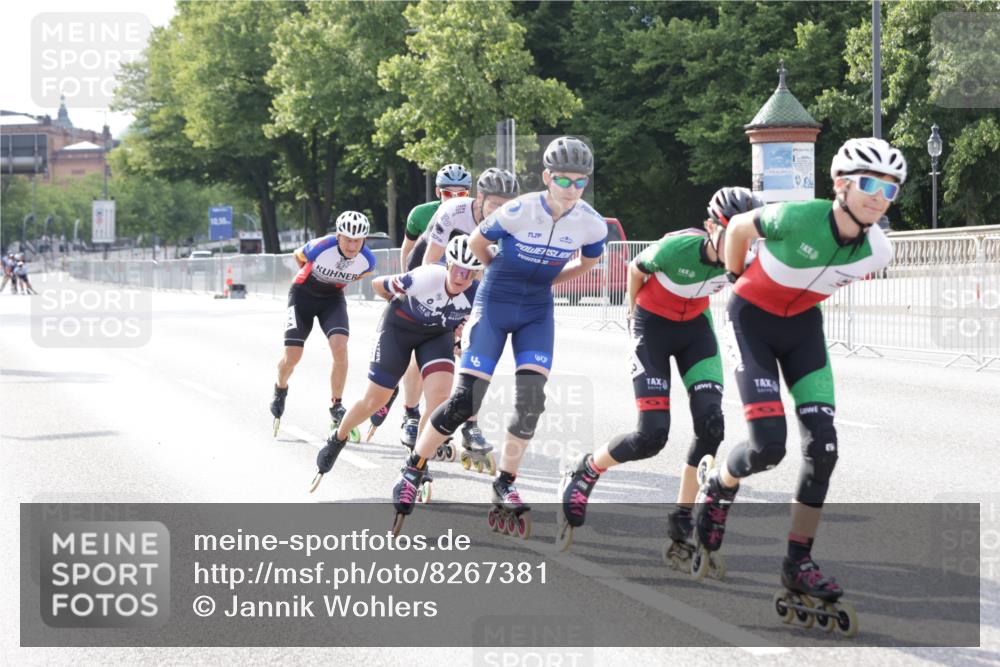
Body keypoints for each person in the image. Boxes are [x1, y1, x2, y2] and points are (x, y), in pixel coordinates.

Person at [695, 138, 903, 618]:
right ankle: (720, 484)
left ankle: (798, 562)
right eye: (869, 184)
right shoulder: (796, 216)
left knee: (823, 447)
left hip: (803, 329)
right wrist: (735, 278)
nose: (879, 197)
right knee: (769, 446)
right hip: (752, 321)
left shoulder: (878, 250)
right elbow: (740, 227)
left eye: (890, 189)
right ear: (841, 184)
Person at [390, 137, 607, 537]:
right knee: (464, 401)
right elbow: (476, 242)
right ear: (547, 177)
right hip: (494, 303)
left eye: (580, 181)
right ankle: (413, 468)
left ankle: (505, 483)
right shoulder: (519, 209)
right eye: (564, 180)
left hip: (537, 312)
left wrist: (549, 282)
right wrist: (498, 271)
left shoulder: (591, 222)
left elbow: (589, 261)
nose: (572, 188)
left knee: (531, 403)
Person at [557, 187, 762, 556]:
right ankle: (587, 468)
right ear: (711, 227)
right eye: (731, 233)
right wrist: (632, 313)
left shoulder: (747, 261)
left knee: (711, 426)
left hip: (695, 331)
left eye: (747, 237)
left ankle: (683, 515)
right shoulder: (678, 247)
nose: (740, 245)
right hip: (652, 327)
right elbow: (636, 268)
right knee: (651, 435)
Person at [311, 235, 483, 492]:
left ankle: (417, 461)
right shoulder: (425, 277)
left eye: (469, 273)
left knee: (439, 400)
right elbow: (378, 285)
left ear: (476, 275)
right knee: (375, 400)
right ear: (447, 264)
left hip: (436, 336)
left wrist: (462, 338)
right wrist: (396, 301)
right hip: (398, 329)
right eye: (457, 269)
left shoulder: (477, 294)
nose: (461, 277)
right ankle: (338, 437)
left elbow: (474, 329)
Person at [397, 167, 519, 450]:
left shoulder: (510, 223)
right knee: (421, 342)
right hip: (433, 264)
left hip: (468, 274)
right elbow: (430, 263)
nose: (501, 210)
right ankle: (411, 415)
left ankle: (470, 424)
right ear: (480, 198)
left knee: (473, 349)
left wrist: (466, 317)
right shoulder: (454, 211)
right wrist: (440, 307)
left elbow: (491, 273)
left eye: (507, 205)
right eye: (496, 204)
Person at [269, 211, 376, 436]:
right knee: (292, 357)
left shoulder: (368, 261)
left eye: (357, 240)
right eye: (347, 239)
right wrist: (312, 277)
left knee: (340, 347)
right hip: (302, 295)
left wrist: (332, 282)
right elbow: (298, 257)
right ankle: (280, 387)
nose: (352, 245)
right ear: (338, 236)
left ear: (364, 240)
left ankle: (337, 405)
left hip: (332, 299)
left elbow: (356, 275)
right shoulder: (321, 246)